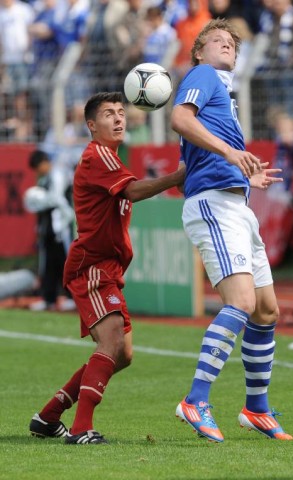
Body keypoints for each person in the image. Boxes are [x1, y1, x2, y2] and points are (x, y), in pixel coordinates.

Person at [29, 91, 185, 445]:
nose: (118, 119)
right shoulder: (97, 155)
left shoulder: (111, 157)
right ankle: (82, 428)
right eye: (108, 114)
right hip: (92, 267)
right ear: (91, 125)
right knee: (112, 343)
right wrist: (178, 176)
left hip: (108, 268)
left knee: (123, 354)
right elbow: (133, 192)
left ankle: (49, 415)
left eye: (121, 112)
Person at [171, 18, 293, 442]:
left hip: (235, 201)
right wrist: (229, 151)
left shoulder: (224, 93)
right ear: (199, 51)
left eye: (233, 44)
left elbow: (199, 151)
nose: (227, 46)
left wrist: (245, 177)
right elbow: (179, 119)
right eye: (217, 40)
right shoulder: (202, 76)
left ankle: (256, 408)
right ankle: (195, 400)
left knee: (267, 310)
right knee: (241, 302)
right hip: (214, 205)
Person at [25, 150, 75, 312]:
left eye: (38, 166)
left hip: (61, 227)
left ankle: (72, 297)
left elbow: (56, 198)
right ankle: (49, 299)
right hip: (48, 228)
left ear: (45, 162)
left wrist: (38, 199)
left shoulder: (57, 175)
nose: (38, 171)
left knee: (66, 261)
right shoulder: (44, 180)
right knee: (48, 264)